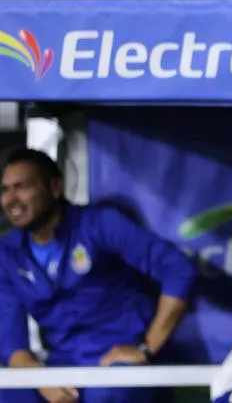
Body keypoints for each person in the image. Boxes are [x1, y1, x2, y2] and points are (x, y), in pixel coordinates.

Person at [0, 147, 197, 403]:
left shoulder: (99, 224)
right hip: (64, 365)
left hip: (118, 362)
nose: (10, 199)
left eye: (22, 187)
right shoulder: (8, 253)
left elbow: (179, 269)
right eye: (4, 190)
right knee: (9, 393)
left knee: (107, 393)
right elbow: (12, 346)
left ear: (55, 187)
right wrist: (41, 378)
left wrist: (146, 347)